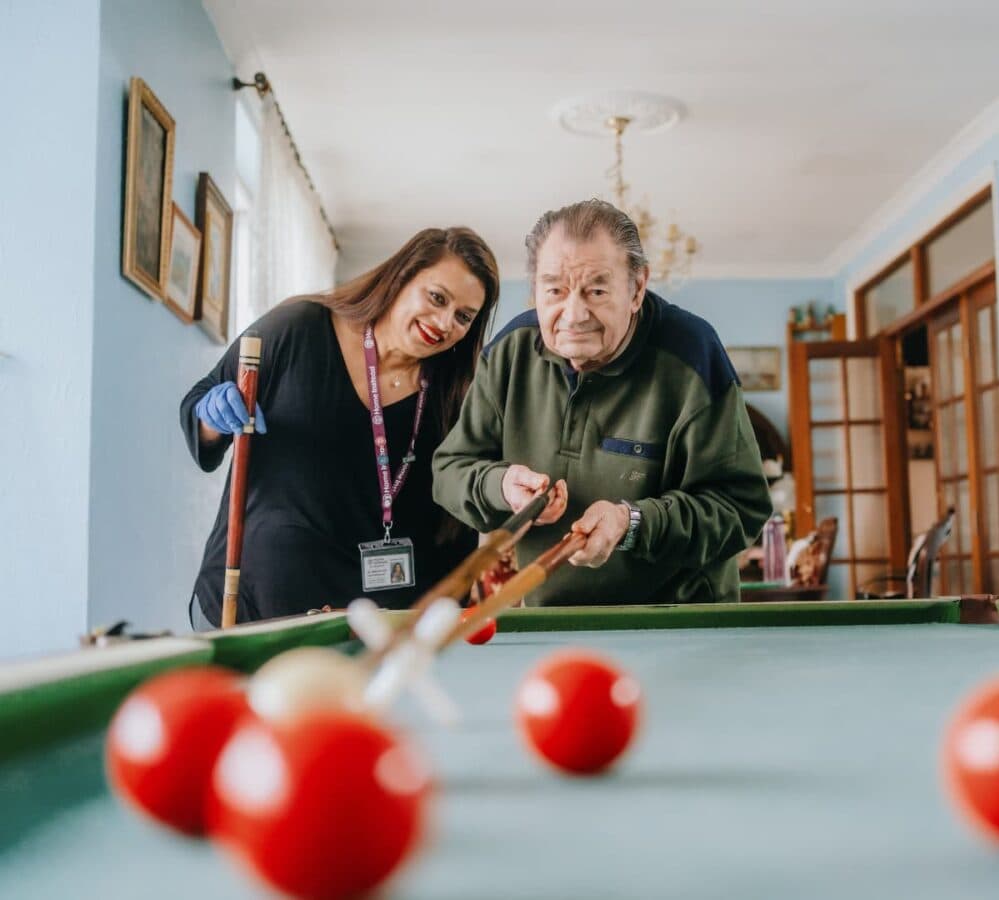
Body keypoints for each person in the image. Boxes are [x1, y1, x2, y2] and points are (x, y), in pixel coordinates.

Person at [432, 200, 771, 605]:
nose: (573, 314)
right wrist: (501, 486)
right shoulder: (509, 352)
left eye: (595, 290)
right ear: (535, 290)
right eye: (554, 290)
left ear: (637, 288)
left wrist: (633, 523)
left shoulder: (692, 354)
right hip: (551, 620)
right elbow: (449, 472)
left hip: (677, 620)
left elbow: (739, 507)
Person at [181, 227, 500, 628]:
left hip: (368, 629)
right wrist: (212, 417)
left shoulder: (456, 394)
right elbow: (199, 405)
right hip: (250, 608)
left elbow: (451, 522)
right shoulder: (297, 328)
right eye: (437, 298)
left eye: (463, 317)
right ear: (401, 277)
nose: (444, 322)